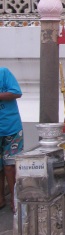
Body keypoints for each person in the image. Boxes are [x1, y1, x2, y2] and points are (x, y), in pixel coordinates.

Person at [0, 67, 23, 212]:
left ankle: (15, 200)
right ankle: (1, 199)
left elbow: (16, 92)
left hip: (10, 127)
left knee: (10, 166)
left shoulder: (3, 72)